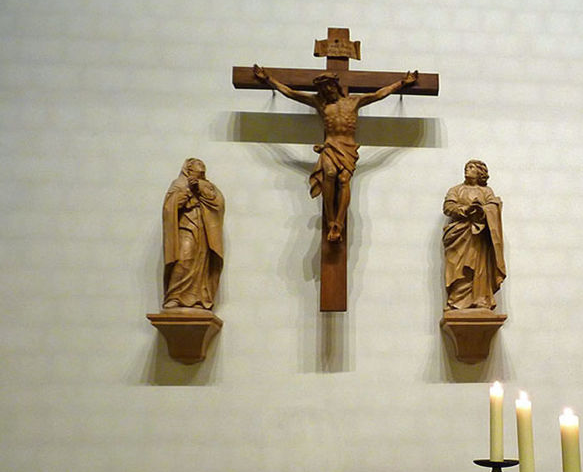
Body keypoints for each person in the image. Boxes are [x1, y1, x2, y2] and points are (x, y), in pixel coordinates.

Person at [252, 65, 418, 243]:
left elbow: (378, 94)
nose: (326, 91)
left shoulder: (354, 102)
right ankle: (331, 219)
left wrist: (401, 83)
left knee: (344, 180)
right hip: (330, 145)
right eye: (323, 89)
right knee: (329, 174)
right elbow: (291, 93)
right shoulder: (320, 103)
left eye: (328, 87)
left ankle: (339, 222)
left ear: (335, 86)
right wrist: (269, 80)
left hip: (348, 147)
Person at [442, 160, 506, 310]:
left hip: (479, 235)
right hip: (459, 234)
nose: (467, 170)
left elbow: (494, 206)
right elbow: (448, 207)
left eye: (471, 168)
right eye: (466, 168)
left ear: (479, 172)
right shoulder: (456, 190)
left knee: (479, 267)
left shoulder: (486, 191)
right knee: (457, 267)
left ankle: (481, 299)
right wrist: (466, 210)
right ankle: (456, 301)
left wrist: (483, 211)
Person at [161, 158, 224, 310]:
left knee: (201, 263)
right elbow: (170, 207)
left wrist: (200, 189)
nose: (202, 167)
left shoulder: (209, 186)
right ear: (188, 168)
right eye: (198, 165)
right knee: (184, 258)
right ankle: (175, 296)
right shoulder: (179, 184)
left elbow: (218, 203)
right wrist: (188, 190)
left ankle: (199, 299)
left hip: (203, 230)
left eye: (203, 165)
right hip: (186, 226)